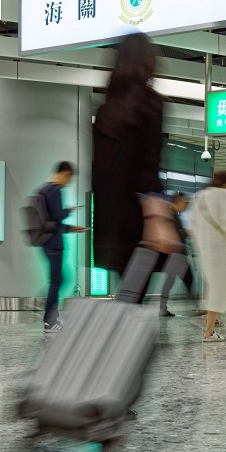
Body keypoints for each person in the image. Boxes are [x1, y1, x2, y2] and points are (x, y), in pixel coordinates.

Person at [92, 33, 166, 280]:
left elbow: (100, 174)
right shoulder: (150, 105)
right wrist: (156, 217)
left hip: (109, 226)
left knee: (126, 297)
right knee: (133, 299)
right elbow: (148, 167)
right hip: (138, 221)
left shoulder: (105, 111)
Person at [191, 171, 226, 341]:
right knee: (218, 288)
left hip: (203, 248)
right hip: (220, 247)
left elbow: (192, 224)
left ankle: (210, 328)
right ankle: (208, 332)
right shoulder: (225, 194)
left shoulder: (200, 196)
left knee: (211, 286)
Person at [38, 162, 87, 333]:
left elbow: (54, 223)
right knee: (57, 282)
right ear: (65, 173)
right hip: (54, 244)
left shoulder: (45, 190)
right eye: (70, 177)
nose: (69, 181)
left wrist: (72, 228)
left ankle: (49, 316)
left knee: (58, 280)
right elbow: (58, 216)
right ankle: (50, 321)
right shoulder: (55, 191)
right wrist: (70, 210)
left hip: (48, 242)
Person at [158, 193, 196, 317]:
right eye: (184, 203)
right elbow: (175, 234)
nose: (185, 205)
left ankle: (163, 308)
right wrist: (187, 232)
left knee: (176, 280)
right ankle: (195, 306)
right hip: (176, 255)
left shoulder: (173, 215)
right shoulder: (171, 215)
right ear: (178, 201)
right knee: (184, 279)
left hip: (177, 254)